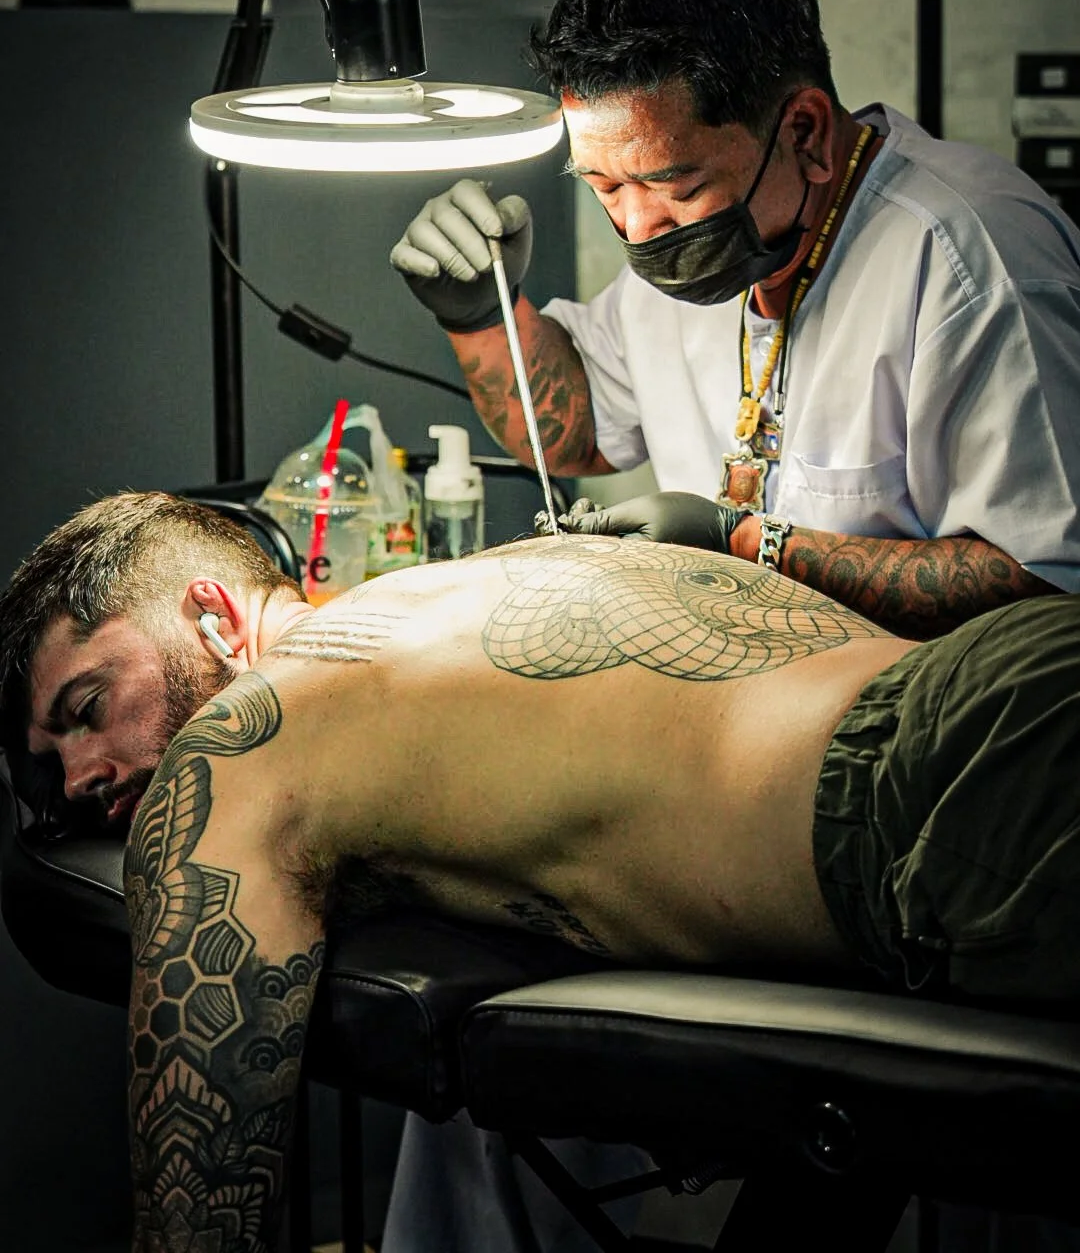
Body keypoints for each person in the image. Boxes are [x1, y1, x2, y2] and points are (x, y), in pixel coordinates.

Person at [5, 492, 1080, 1253]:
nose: (88, 776)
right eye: (56, 770)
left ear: (213, 611)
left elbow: (199, 1218)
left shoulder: (240, 741)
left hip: (951, 790)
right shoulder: (481, 591)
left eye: (89, 706)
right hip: (1006, 683)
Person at [390, 0, 1080, 638]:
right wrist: (483, 315)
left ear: (805, 132)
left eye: (677, 187)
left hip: (924, 734)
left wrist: (746, 544)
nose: (638, 226)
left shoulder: (970, 257)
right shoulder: (693, 257)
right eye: (604, 187)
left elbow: (1046, 585)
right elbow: (578, 432)